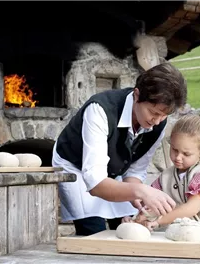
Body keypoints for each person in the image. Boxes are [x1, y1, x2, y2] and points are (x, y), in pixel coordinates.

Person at [52, 62, 188, 236]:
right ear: (137, 95)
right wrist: (142, 191)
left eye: (164, 116)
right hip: (76, 165)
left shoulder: (158, 124)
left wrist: (138, 198)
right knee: (93, 230)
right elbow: (95, 183)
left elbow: (135, 169)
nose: (157, 121)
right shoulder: (99, 110)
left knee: (128, 226)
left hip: (112, 167)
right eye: (154, 112)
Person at [123, 114, 200, 234]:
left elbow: (191, 209)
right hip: (181, 234)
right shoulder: (165, 177)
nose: (178, 157)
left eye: (186, 154)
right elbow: (151, 205)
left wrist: (159, 221)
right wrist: (138, 219)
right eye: (174, 150)